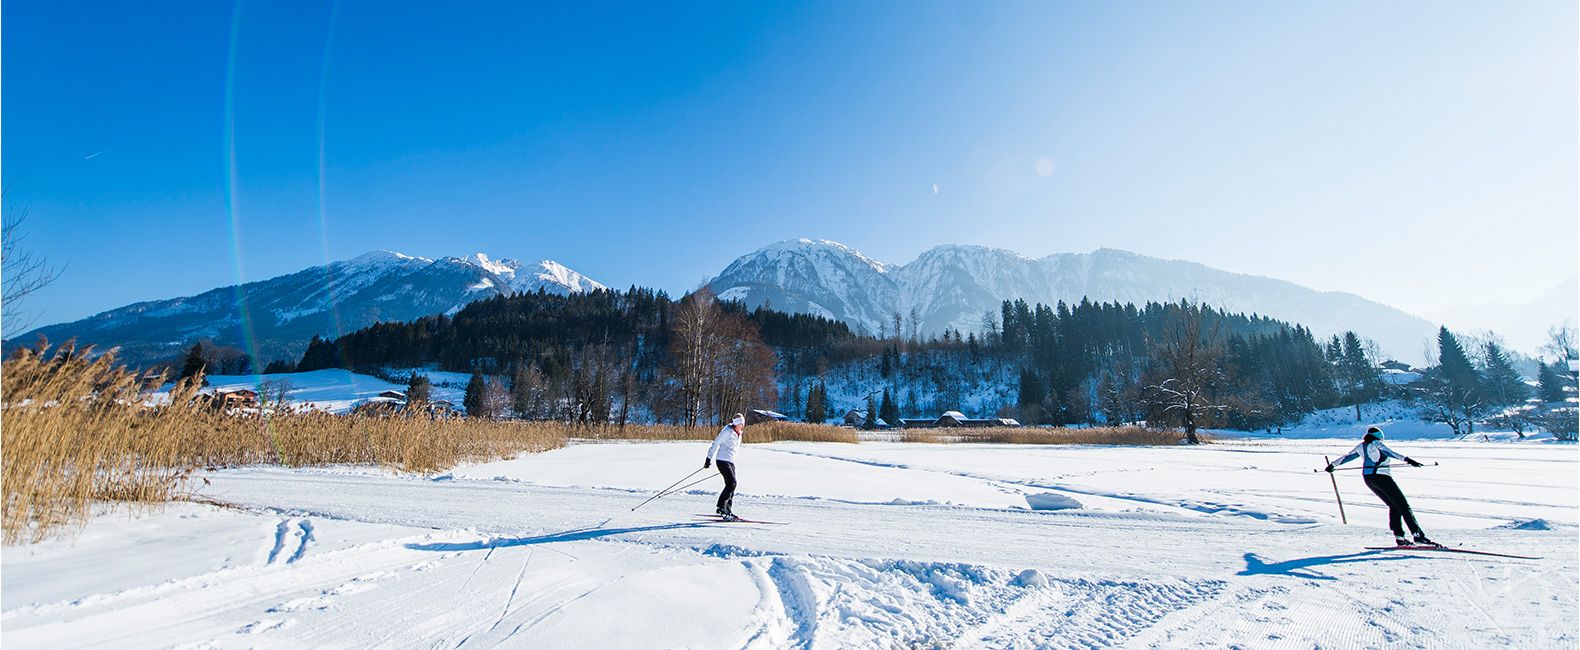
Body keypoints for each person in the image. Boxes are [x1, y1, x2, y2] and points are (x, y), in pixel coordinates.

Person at [1325, 426, 1434, 546]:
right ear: (1379, 437)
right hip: (1382, 477)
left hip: (1369, 479)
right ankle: (1418, 536)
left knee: (1394, 506)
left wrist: (1332, 465)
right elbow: (1390, 453)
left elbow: (1347, 457)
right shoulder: (1376, 443)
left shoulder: (1361, 446)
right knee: (1403, 506)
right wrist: (1408, 460)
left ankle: (1400, 538)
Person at [704, 413, 745, 520]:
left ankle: (728, 510)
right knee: (732, 483)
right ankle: (721, 507)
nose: (742, 425)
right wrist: (708, 458)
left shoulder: (739, 433)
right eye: (740, 423)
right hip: (722, 460)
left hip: (731, 462)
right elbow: (716, 442)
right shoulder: (727, 431)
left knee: (732, 485)